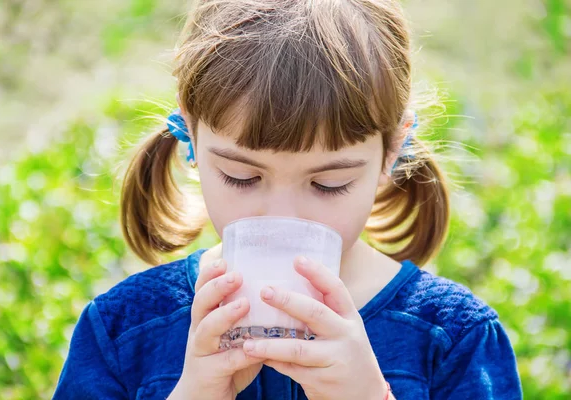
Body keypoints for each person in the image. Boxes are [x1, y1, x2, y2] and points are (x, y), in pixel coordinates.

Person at [52, 0, 523, 399]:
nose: (281, 216)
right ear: (191, 134)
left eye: (328, 184)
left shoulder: (453, 339)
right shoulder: (123, 332)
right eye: (240, 176)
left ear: (391, 150)